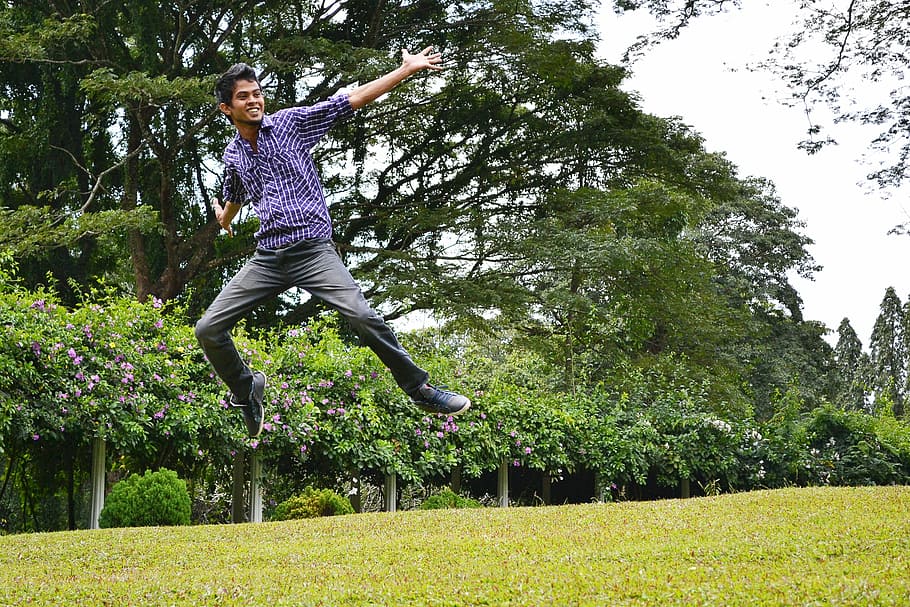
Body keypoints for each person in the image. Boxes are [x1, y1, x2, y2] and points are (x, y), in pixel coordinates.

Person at [195, 47, 471, 438]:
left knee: (361, 316)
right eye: (243, 96)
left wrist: (406, 70)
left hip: (313, 251)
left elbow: (351, 100)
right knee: (208, 329)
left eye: (256, 93)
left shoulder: (290, 124)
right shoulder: (234, 153)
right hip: (268, 258)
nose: (254, 100)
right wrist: (225, 216)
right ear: (227, 108)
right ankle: (246, 388)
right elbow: (236, 192)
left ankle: (420, 388)